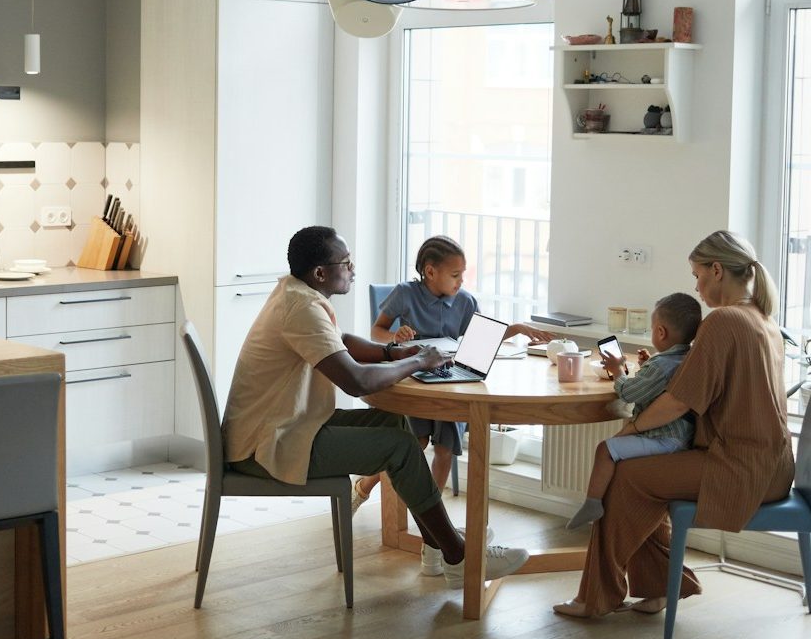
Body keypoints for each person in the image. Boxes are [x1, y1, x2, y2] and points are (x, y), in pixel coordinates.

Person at [223, 225, 531, 588]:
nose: (353, 269)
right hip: (266, 446)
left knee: (395, 423)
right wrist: (418, 362)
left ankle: (439, 543)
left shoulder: (296, 293)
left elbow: (340, 341)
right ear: (320, 273)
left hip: (284, 427)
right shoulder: (300, 308)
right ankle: (459, 556)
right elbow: (357, 382)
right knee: (401, 447)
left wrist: (393, 353)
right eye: (346, 262)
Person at [553, 230, 795, 619]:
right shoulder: (763, 319)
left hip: (740, 467)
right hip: (773, 466)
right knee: (639, 475)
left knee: (625, 475)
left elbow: (679, 401)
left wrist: (632, 429)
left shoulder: (724, 321)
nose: (696, 287)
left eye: (698, 275)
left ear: (717, 271)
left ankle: (597, 598)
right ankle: (660, 586)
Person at [357, 234, 555, 575]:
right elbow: (377, 331)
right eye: (455, 274)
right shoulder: (405, 293)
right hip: (414, 380)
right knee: (413, 443)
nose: (461, 281)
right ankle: (364, 486)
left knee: (445, 449)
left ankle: (432, 537)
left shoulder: (465, 301)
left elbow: (481, 338)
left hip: (450, 382)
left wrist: (518, 328)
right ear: (430, 271)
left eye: (463, 274)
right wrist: (395, 338)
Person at [565, 292, 702, 530]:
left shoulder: (660, 365)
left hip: (664, 439)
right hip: (680, 437)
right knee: (615, 448)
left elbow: (629, 393)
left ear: (661, 332)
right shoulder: (686, 358)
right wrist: (646, 366)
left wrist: (618, 371)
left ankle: (593, 502)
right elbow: (658, 387)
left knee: (605, 449)